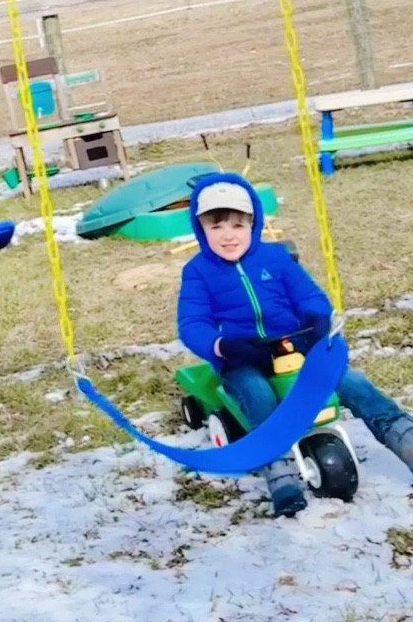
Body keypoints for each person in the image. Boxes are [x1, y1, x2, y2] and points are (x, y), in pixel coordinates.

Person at [177, 171, 413, 518]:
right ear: (201, 230)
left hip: (294, 345)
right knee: (257, 394)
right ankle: (279, 471)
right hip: (243, 355)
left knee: (351, 382)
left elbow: (309, 295)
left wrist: (316, 318)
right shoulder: (197, 271)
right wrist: (222, 345)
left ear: (253, 224)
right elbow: (192, 323)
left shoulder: (275, 259)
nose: (228, 236)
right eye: (216, 227)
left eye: (238, 226)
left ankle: (401, 435)